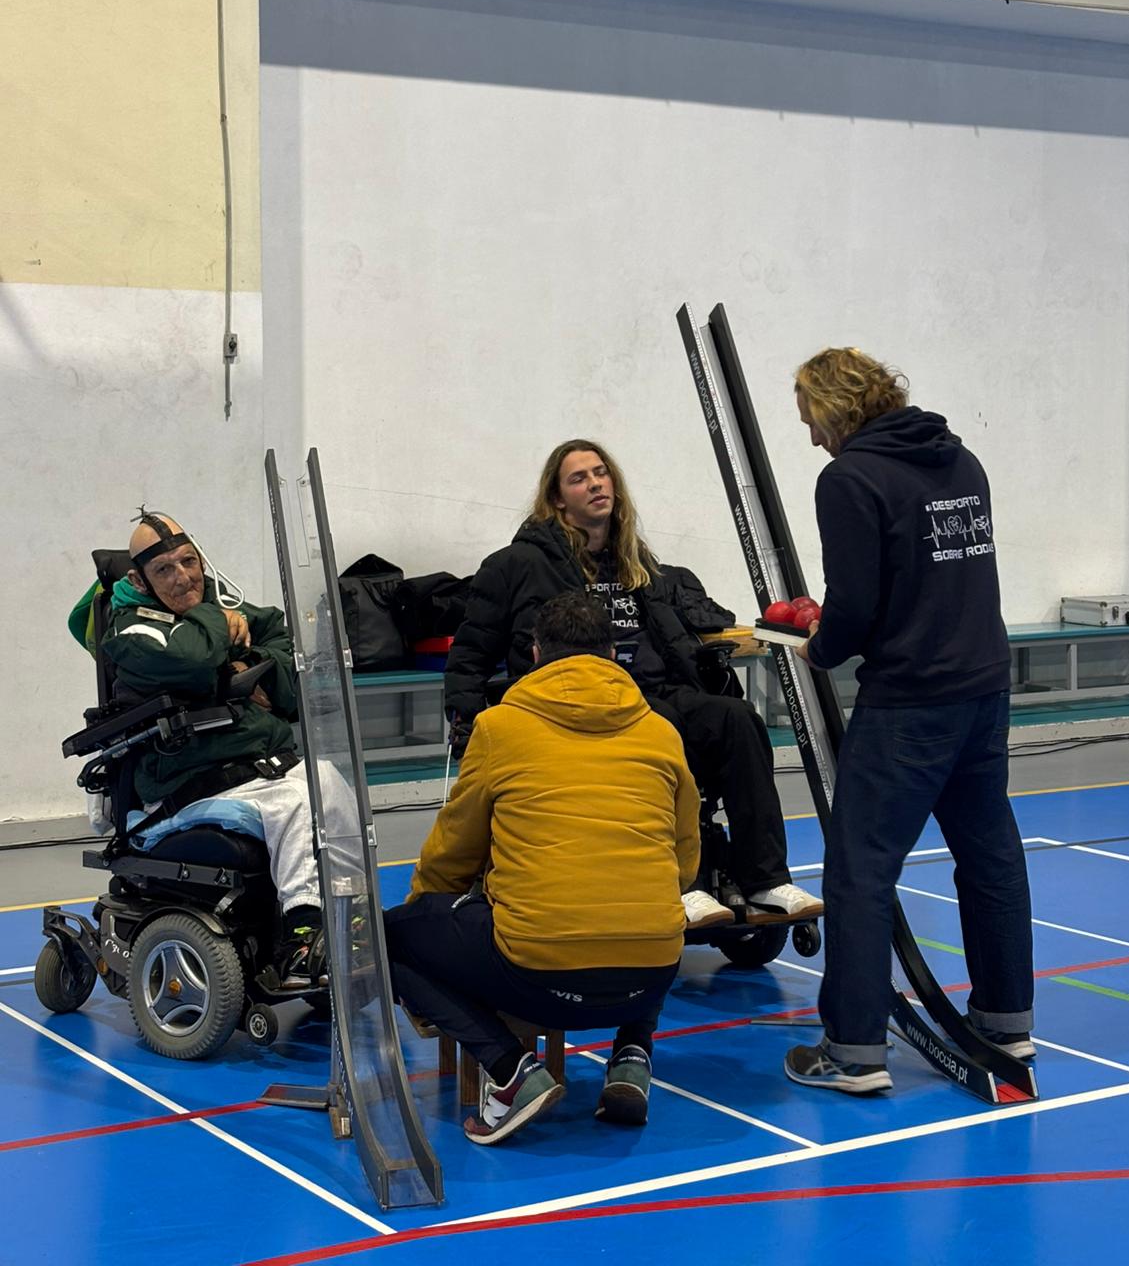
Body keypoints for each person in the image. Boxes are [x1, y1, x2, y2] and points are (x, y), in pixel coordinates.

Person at [783, 348, 1033, 1094]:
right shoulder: (961, 460)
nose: (812, 437)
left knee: (859, 870)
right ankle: (1007, 1021)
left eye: (811, 420)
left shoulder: (850, 478)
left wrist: (817, 647)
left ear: (835, 409)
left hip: (912, 701)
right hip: (983, 686)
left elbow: (855, 606)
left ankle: (853, 1050)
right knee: (990, 856)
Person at [443, 439, 821, 927]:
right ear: (557, 498)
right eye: (579, 478)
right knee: (660, 727)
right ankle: (681, 884)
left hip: (657, 693)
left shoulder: (635, 560)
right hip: (580, 706)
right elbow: (470, 653)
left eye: (601, 473)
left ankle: (765, 879)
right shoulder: (516, 565)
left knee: (737, 720)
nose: (595, 483)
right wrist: (467, 724)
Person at [385, 591, 700, 1146]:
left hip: (537, 978)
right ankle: (632, 1054)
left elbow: (453, 851)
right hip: (651, 978)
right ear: (614, 653)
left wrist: (430, 912)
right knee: (641, 906)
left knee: (387, 938)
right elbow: (683, 863)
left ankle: (511, 1072)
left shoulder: (500, 727)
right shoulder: (661, 732)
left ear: (534, 653)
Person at [102, 511, 323, 985]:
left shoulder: (222, 607)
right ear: (140, 581)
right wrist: (221, 630)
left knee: (333, 787)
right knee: (295, 802)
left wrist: (254, 663)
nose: (183, 578)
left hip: (255, 765)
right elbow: (193, 656)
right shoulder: (131, 631)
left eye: (189, 561)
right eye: (164, 570)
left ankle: (342, 924)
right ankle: (302, 938)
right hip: (188, 780)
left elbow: (281, 639)